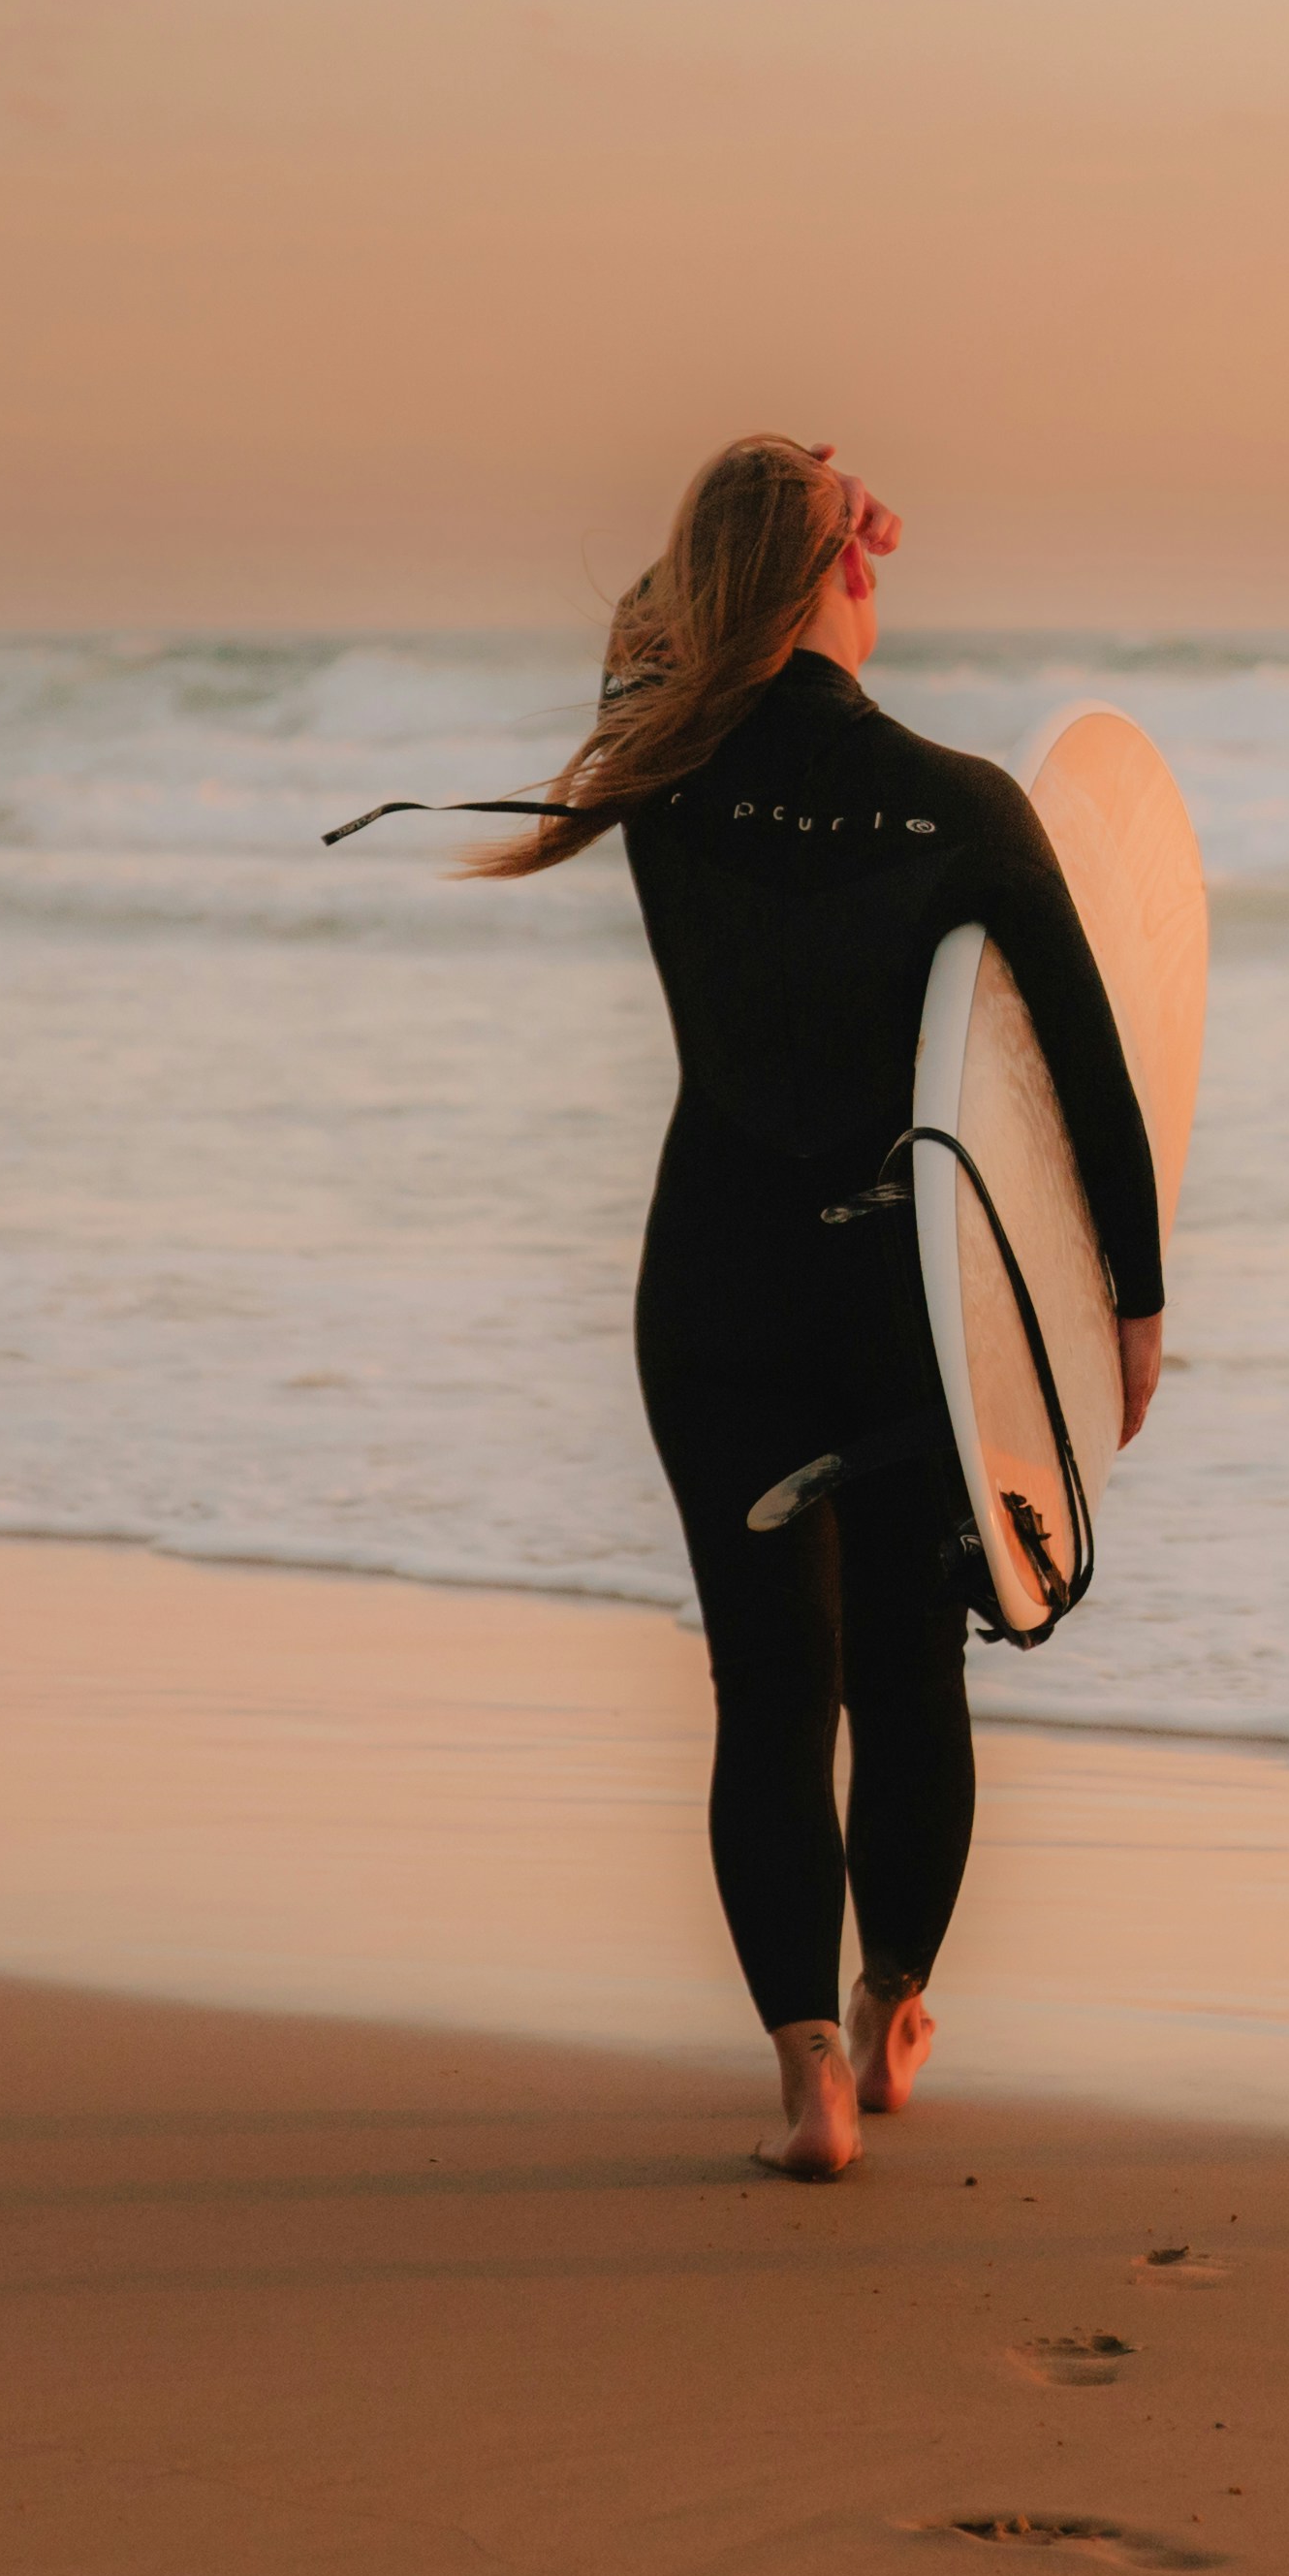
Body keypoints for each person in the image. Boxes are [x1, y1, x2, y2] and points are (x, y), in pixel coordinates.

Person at [458, 433, 1163, 2180]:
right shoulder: (966, 805)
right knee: (917, 1676)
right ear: (850, 575)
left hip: (714, 1287)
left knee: (769, 1688)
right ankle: (893, 2008)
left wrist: (771, 523)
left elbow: (640, 647)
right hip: (904, 1306)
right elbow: (1087, 1080)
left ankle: (805, 2086)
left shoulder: (666, 775)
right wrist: (1125, 1317)